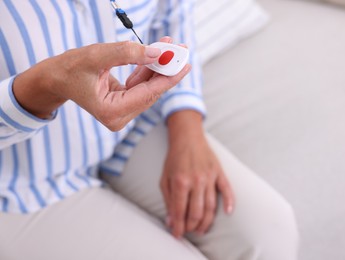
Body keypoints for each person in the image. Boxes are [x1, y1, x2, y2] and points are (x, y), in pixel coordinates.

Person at [0, 0, 299, 259]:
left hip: (131, 128)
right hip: (18, 180)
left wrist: (187, 121)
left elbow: (171, 12)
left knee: (268, 234)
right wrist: (44, 86)